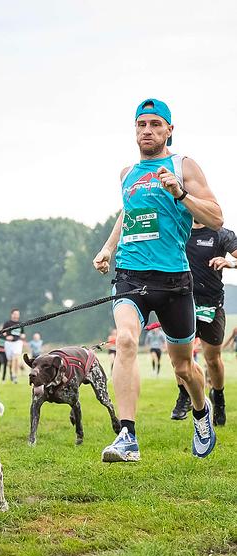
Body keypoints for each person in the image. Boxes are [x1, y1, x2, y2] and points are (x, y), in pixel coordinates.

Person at [93, 97, 223, 462]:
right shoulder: (127, 175)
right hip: (131, 275)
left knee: (183, 366)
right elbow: (129, 214)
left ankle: (201, 411)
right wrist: (108, 249)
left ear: (169, 130)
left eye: (155, 124)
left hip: (174, 281)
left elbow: (215, 217)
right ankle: (127, 436)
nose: (147, 130)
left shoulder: (183, 166)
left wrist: (179, 193)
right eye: (141, 125)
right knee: (127, 340)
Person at [171, 223, 237, 424]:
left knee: (213, 360)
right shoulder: (177, 227)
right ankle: (184, 395)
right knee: (179, 359)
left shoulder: (220, 233)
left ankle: (219, 398)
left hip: (211, 305)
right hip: (181, 302)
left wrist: (230, 263)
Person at [2, 308, 26, 384]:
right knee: (10, 361)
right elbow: (3, 333)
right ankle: (12, 374)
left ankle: (15, 376)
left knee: (16, 358)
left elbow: (23, 333)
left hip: (17, 342)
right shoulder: (7, 323)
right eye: (15, 314)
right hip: (9, 343)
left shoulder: (20, 323)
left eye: (18, 314)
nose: (16, 315)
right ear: (12, 314)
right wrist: (7, 336)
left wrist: (22, 336)